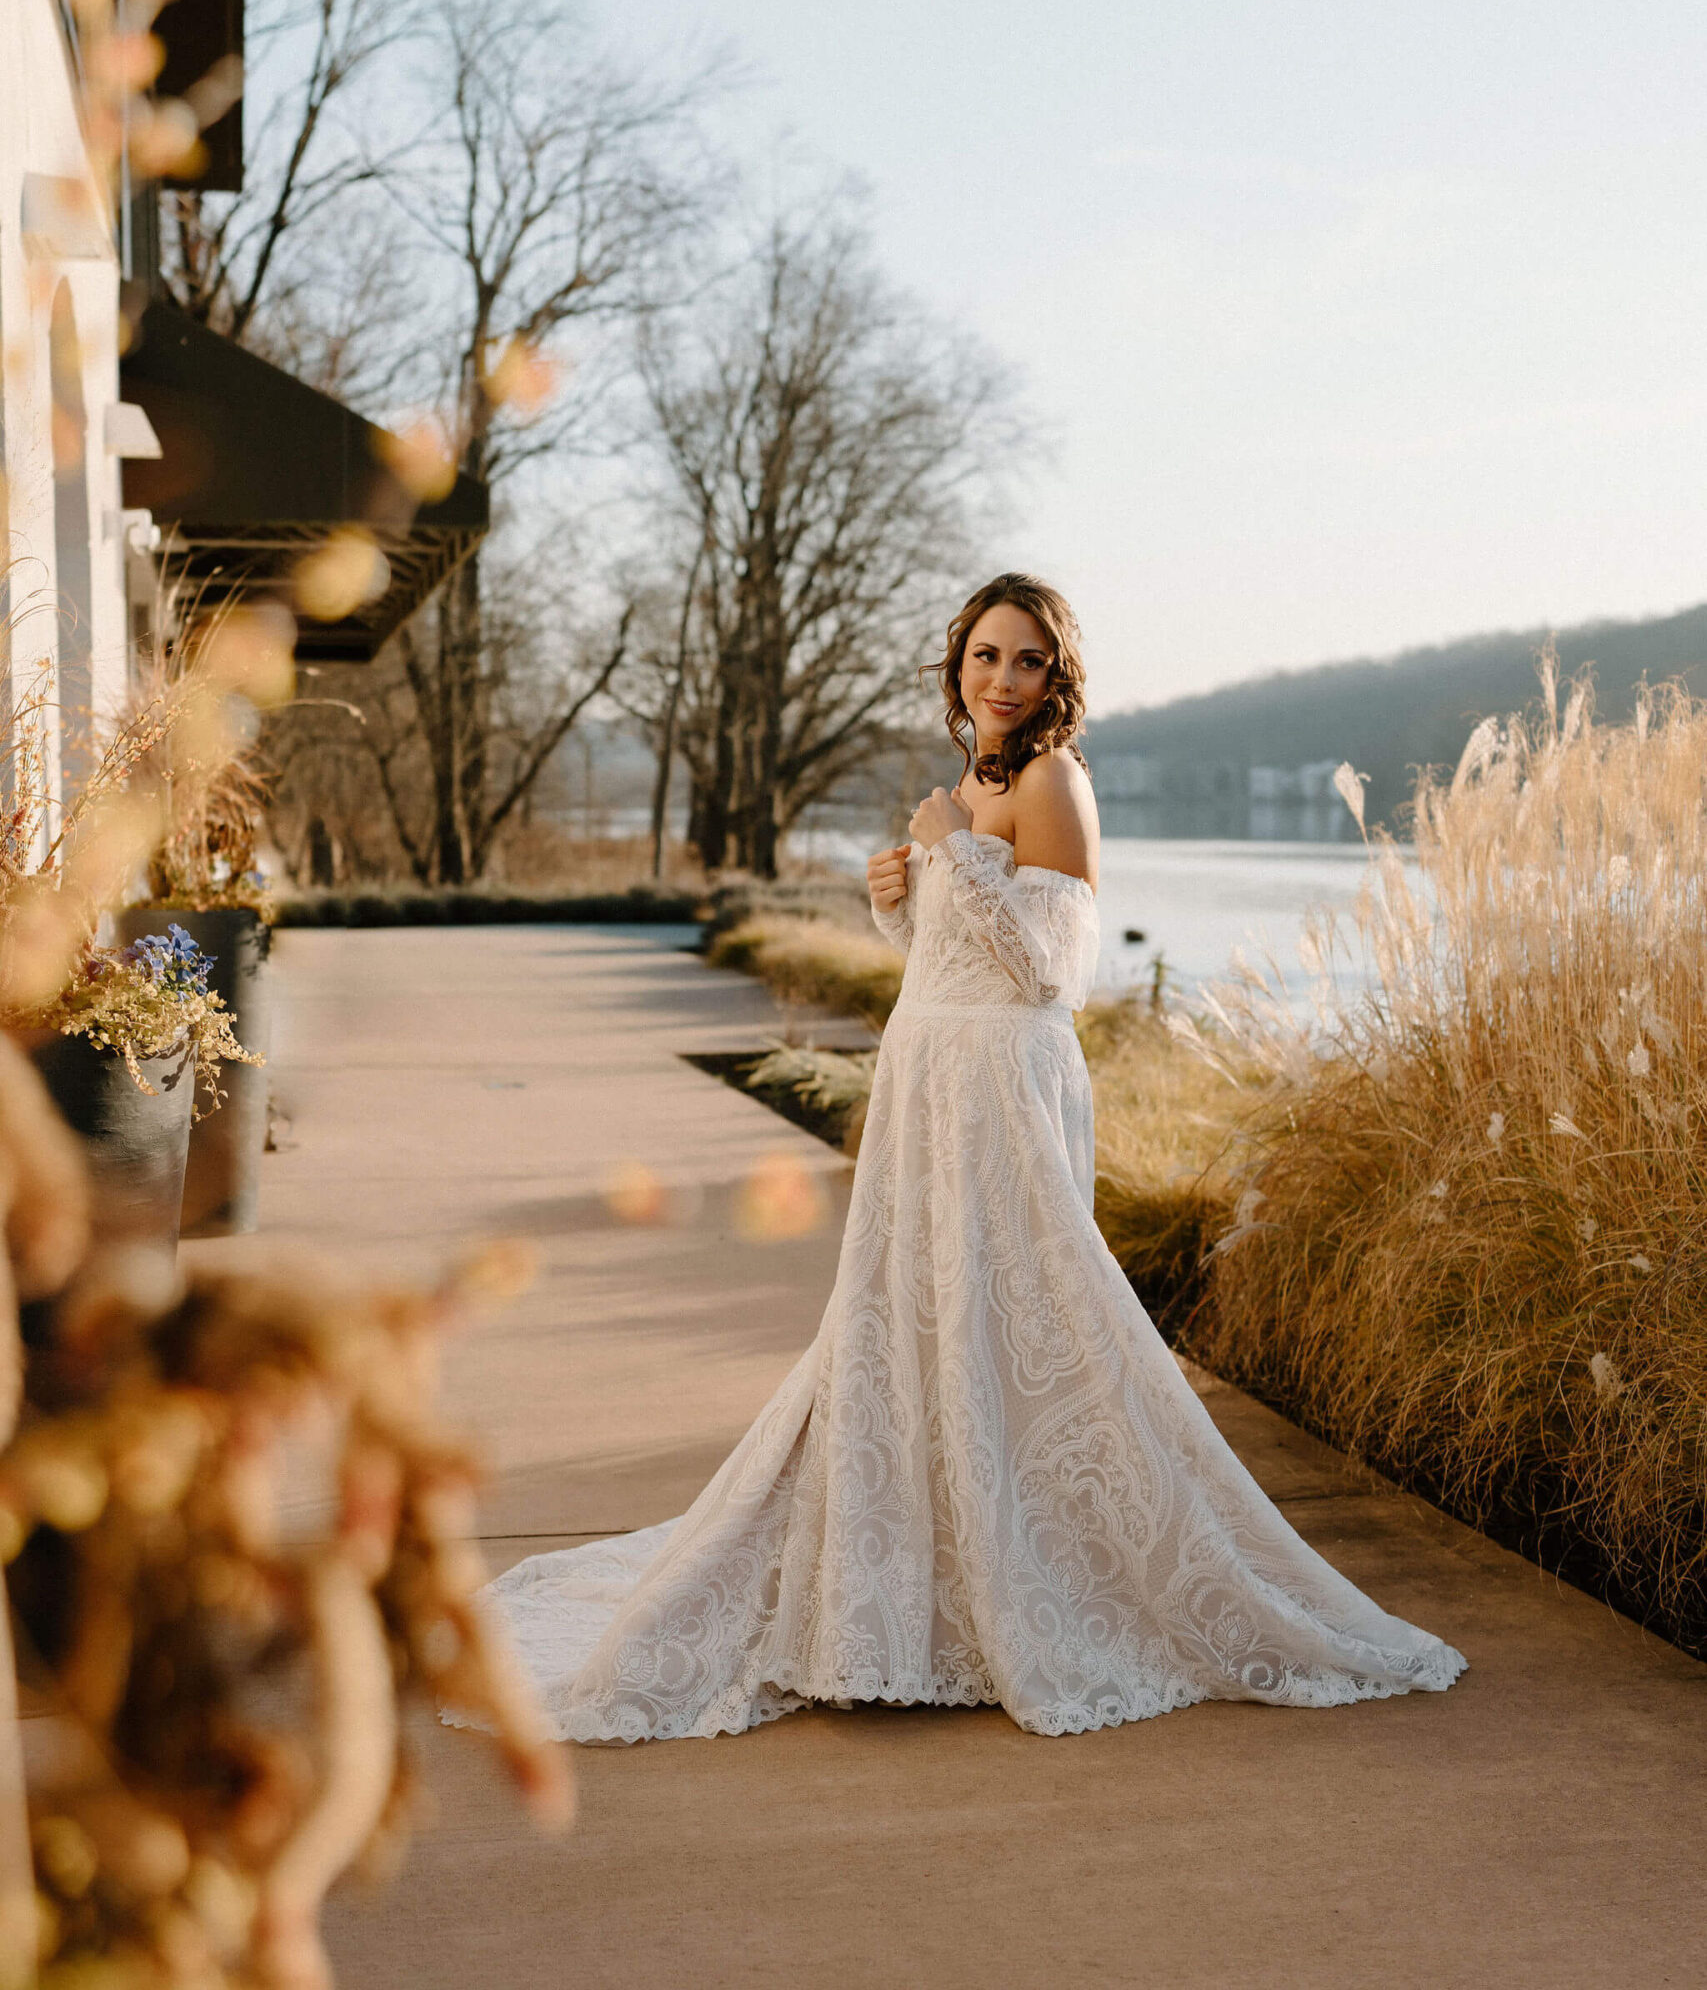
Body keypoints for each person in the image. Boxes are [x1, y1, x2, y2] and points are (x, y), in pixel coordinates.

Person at [459, 572, 1464, 1742]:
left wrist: (956, 853)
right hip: (927, 1085)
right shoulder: (971, 786)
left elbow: (1050, 971)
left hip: (1003, 1095)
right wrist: (899, 899)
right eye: (985, 655)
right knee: (918, 1318)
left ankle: (1033, 1577)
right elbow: (955, 963)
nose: (1002, 677)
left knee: (1027, 1314)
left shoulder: (1052, 780)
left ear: (1056, 678)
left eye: (1026, 659)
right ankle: (897, 1592)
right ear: (958, 666)